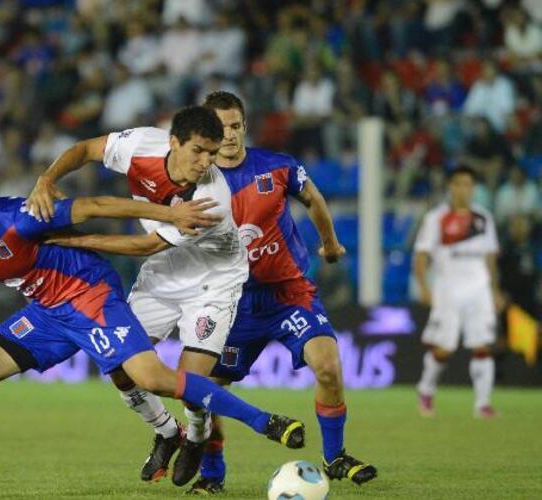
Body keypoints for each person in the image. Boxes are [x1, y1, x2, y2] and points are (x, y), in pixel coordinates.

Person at [0, 172, 305, 500]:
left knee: (151, 378)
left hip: (90, 295)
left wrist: (167, 213)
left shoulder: (17, 219)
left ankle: (263, 421)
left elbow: (96, 206)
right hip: (48, 313)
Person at [27, 106, 263, 487]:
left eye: (212, 153)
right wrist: (46, 179)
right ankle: (168, 432)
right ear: (173, 143)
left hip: (212, 282)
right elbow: (86, 149)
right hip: (165, 273)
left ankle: (197, 437)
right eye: (198, 151)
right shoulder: (141, 145)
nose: (206, 162)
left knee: (189, 386)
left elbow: (145, 245)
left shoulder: (212, 196)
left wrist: (76, 240)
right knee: (119, 366)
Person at [187, 91, 376, 493]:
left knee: (327, 365)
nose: (231, 135)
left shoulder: (277, 166)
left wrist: (329, 243)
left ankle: (336, 456)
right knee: (205, 392)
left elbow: (313, 198)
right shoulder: (193, 185)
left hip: (288, 292)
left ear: (245, 126)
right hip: (231, 302)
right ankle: (213, 472)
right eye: (221, 128)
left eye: (236, 126)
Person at [414, 166, 502, 420]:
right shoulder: (436, 218)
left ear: (473, 188)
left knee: (483, 345)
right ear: (450, 186)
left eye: (468, 184)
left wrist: (494, 290)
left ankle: (483, 403)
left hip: (479, 288)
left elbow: (490, 257)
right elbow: (421, 254)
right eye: (459, 183)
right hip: (448, 288)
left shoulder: (483, 218)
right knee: (444, 348)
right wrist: (424, 287)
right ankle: (426, 389)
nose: (463, 189)